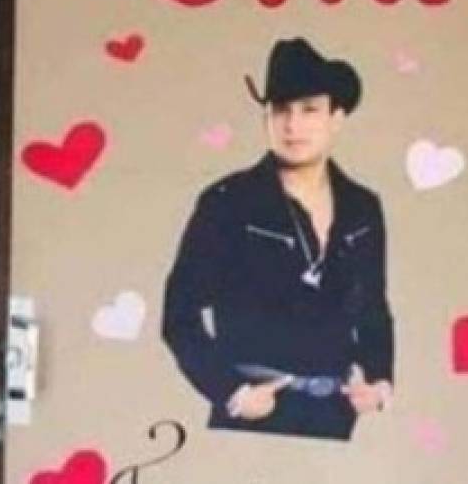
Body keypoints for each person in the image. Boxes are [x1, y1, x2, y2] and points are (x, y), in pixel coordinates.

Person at [161, 37, 394, 441]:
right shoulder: (227, 201)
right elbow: (179, 316)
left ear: (336, 118)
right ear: (266, 117)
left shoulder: (363, 207)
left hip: (336, 418)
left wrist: (379, 381)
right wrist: (231, 393)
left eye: (309, 110)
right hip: (251, 420)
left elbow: (374, 309)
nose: (292, 125)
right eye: (280, 109)